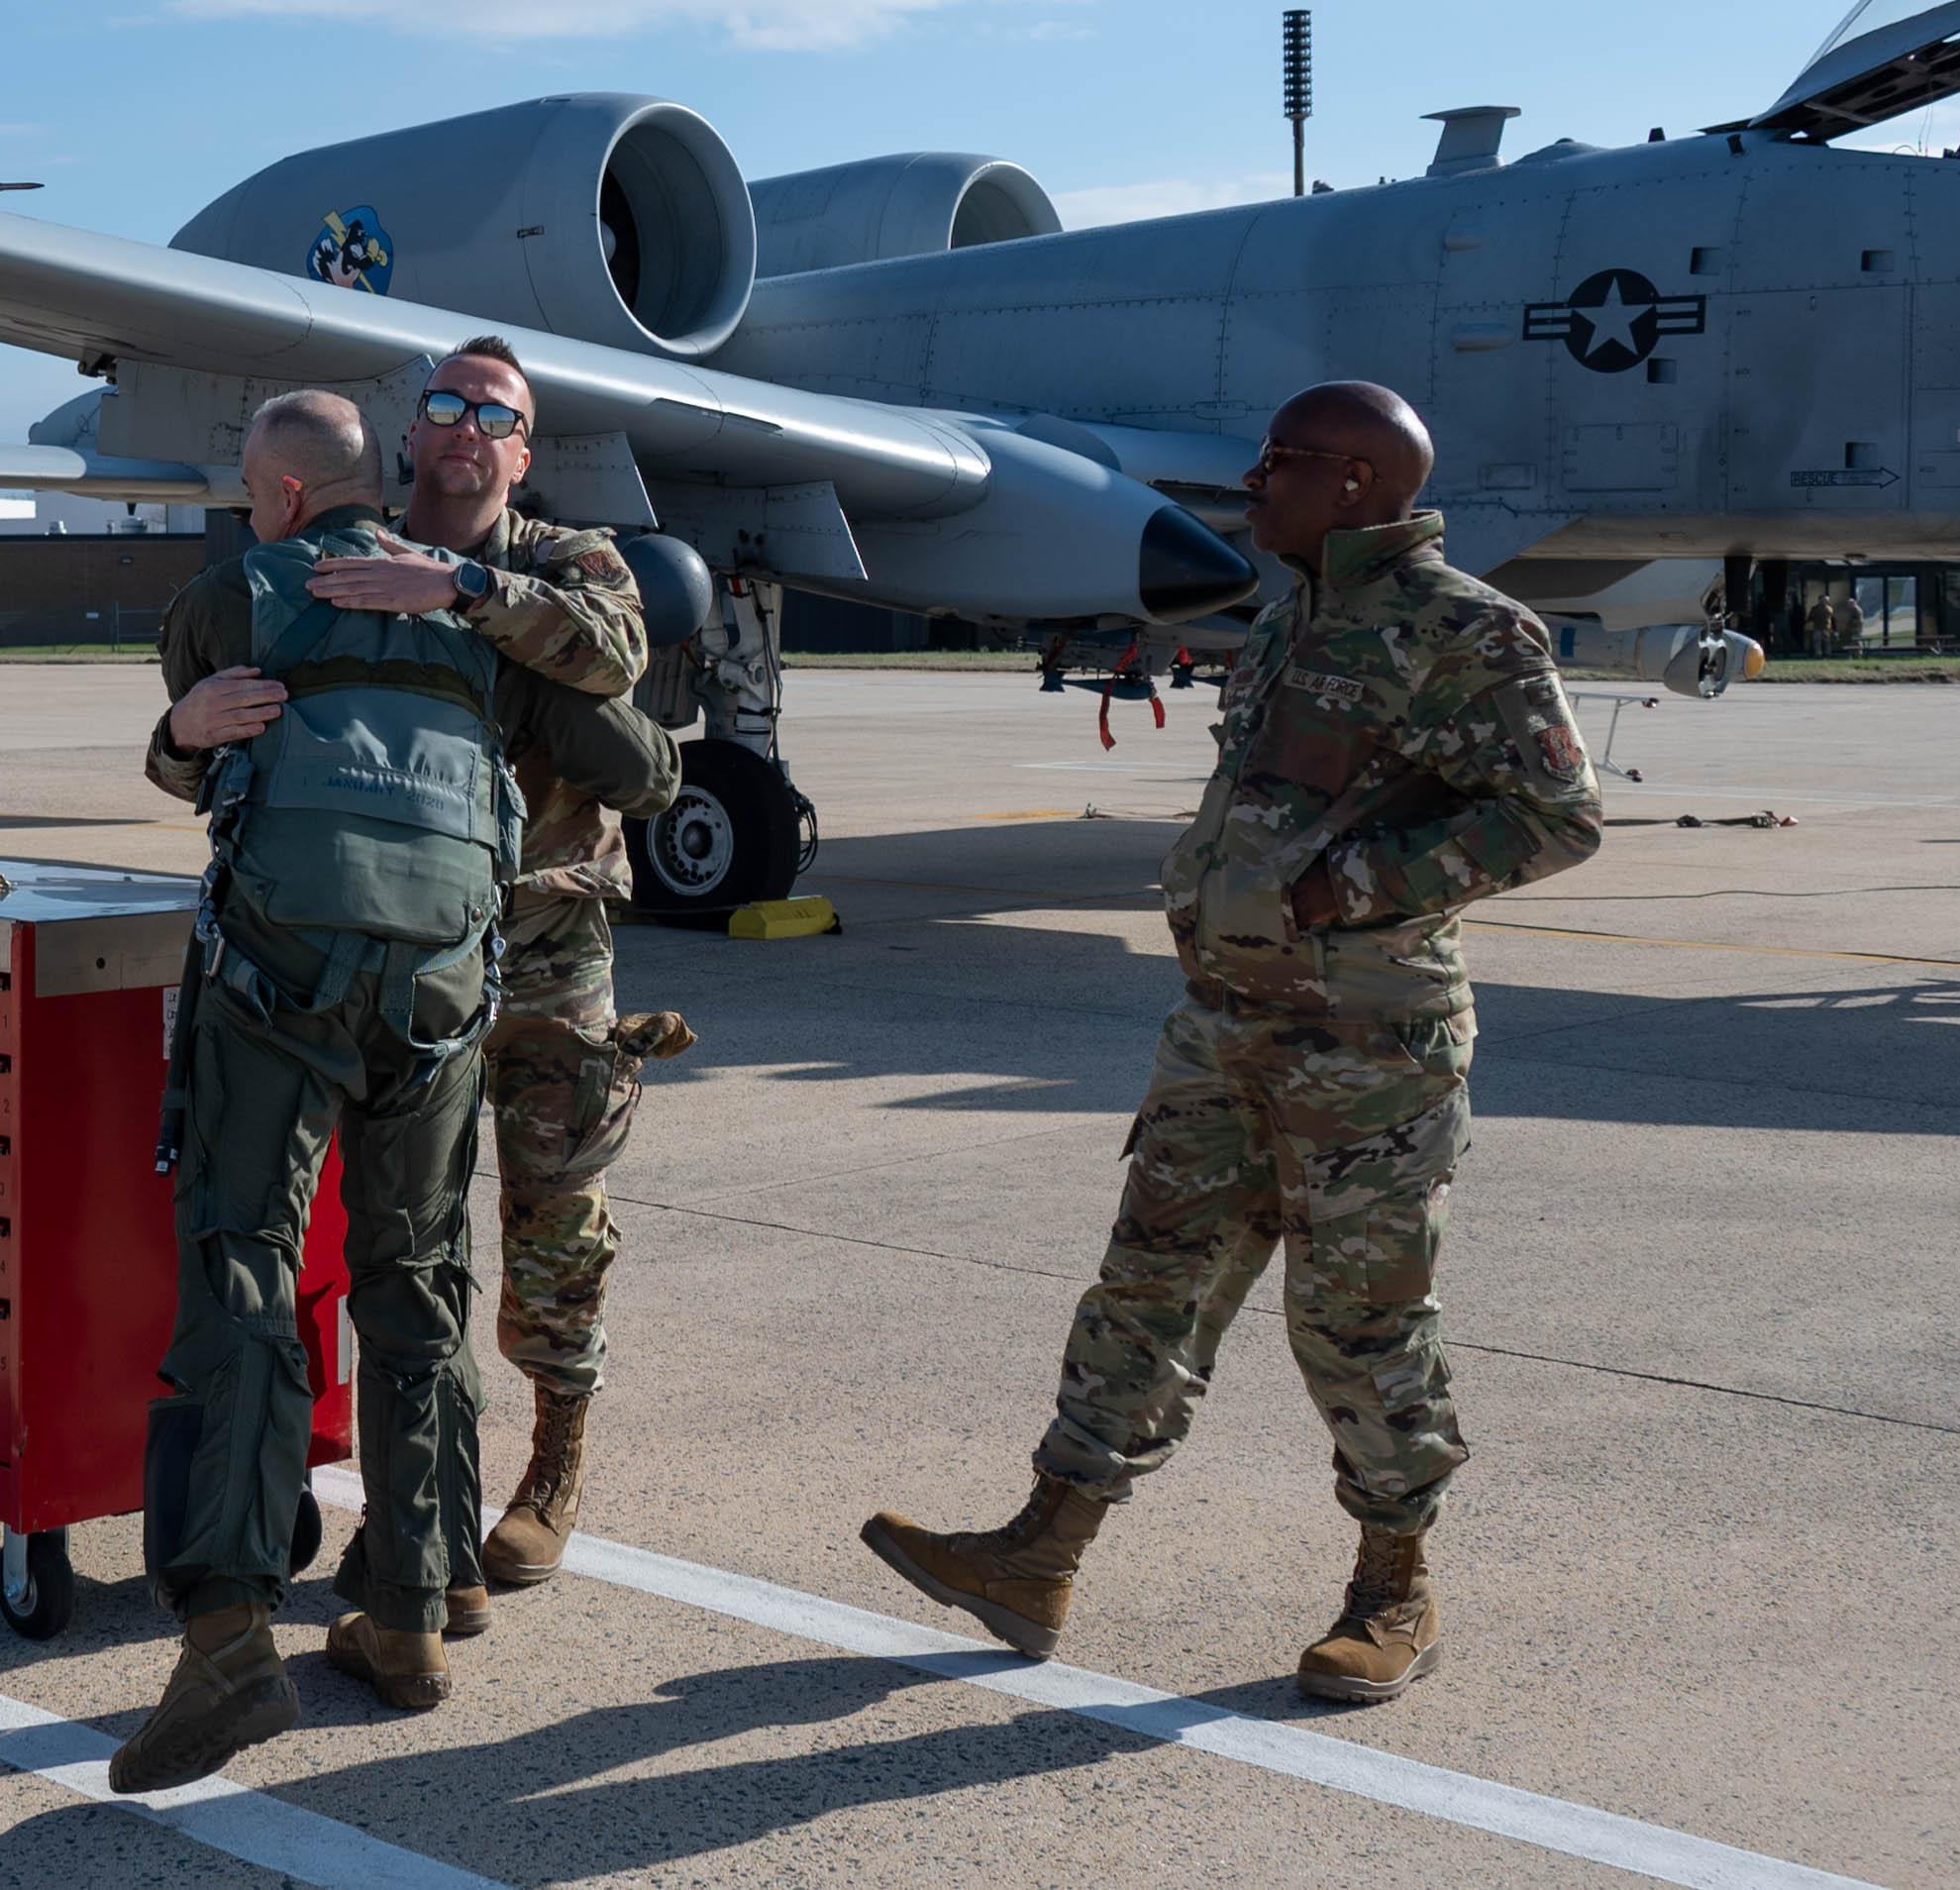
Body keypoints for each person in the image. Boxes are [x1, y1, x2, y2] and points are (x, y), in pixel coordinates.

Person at [862, 381, 1604, 1705]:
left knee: (1359, 1322)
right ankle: (1041, 1552)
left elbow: (1555, 816)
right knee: (1149, 1282)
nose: (1254, 485)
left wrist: (1348, 888)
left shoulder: (1467, 629)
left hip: (1367, 1041)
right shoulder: (1286, 621)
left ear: (1361, 484)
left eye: (1281, 464)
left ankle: (1393, 1591)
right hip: (1223, 1026)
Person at [111, 389, 662, 1793]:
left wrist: (181, 730)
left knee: (244, 1265)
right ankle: (414, 1614)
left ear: (285, 495)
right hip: (439, 994)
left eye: (252, 486)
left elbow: (195, 750)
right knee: (413, 1284)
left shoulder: (232, 593)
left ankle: (230, 1632)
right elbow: (641, 770)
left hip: (273, 984)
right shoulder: (500, 619)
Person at [311, 336, 692, 1594]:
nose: (469, 426)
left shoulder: (566, 558)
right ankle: (418, 1497)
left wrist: (462, 596)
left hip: (544, 950)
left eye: (499, 415)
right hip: (401, 946)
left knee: (554, 1222)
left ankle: (556, 1462)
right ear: (412, 431)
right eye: (446, 404)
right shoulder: (349, 548)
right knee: (404, 1236)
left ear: (523, 452)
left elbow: (614, 657)